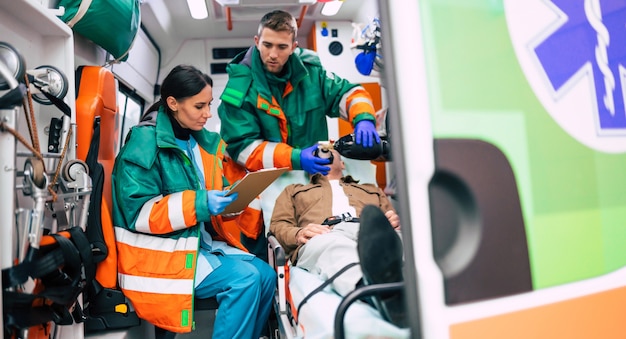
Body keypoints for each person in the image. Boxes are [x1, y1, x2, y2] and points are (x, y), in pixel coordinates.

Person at [111, 64, 276, 338]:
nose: (208, 114)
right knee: (245, 280)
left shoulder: (203, 142)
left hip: (196, 243)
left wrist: (229, 205)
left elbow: (207, 191)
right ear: (173, 103)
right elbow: (139, 213)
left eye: (209, 105)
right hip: (159, 253)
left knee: (267, 276)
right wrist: (201, 204)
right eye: (200, 106)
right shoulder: (143, 143)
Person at [218, 9, 382, 251]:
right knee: (265, 256)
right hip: (263, 191)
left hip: (313, 185)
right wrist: (296, 157)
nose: (273, 54)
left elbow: (348, 93)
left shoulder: (310, 72)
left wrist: (364, 119)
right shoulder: (239, 89)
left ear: (293, 46)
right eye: (267, 45)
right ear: (256, 41)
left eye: (282, 47)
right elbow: (243, 148)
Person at [269, 149, 405, 327]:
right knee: (335, 248)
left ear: (342, 164)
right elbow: (278, 226)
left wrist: (395, 221)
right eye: (317, 151)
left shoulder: (371, 190)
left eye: (330, 149)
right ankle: (383, 297)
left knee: (401, 243)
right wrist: (298, 233)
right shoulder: (293, 191)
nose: (323, 149)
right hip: (326, 233)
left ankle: (408, 282)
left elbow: (390, 219)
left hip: (371, 231)